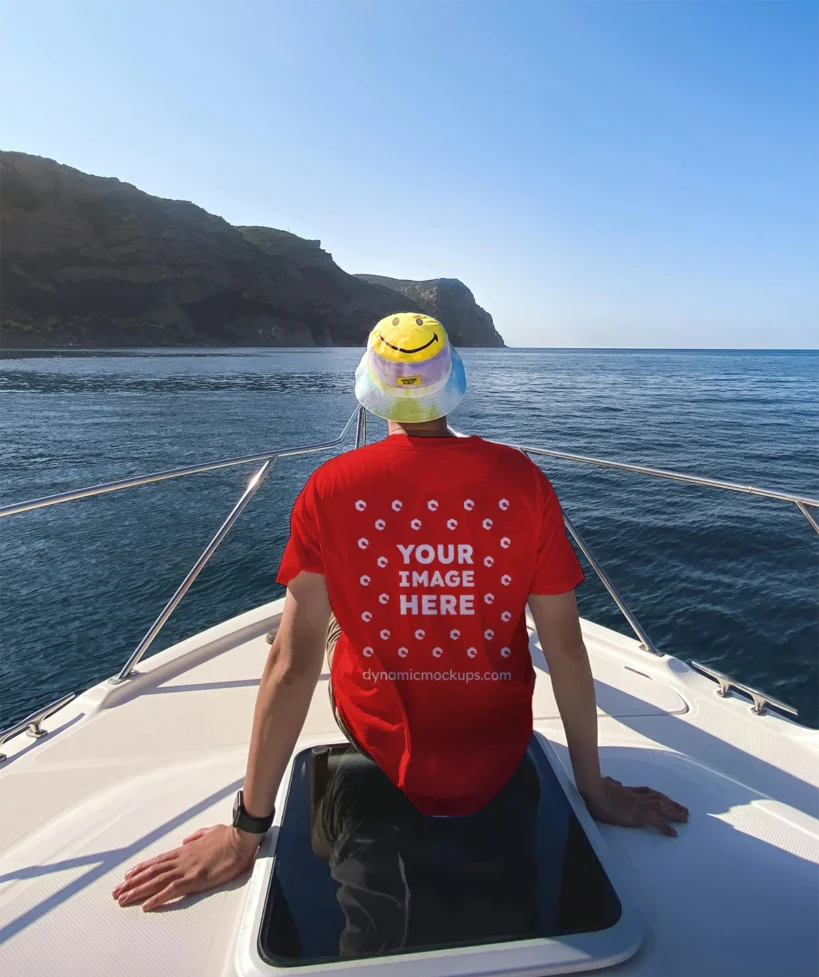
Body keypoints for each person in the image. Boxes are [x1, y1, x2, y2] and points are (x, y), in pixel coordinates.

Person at [113, 312, 687, 912]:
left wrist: (245, 831)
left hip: (380, 738)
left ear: (370, 384)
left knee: (316, 628)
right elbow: (565, 648)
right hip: (498, 748)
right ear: (453, 382)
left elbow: (291, 663)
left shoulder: (329, 488)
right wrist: (593, 790)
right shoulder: (524, 481)